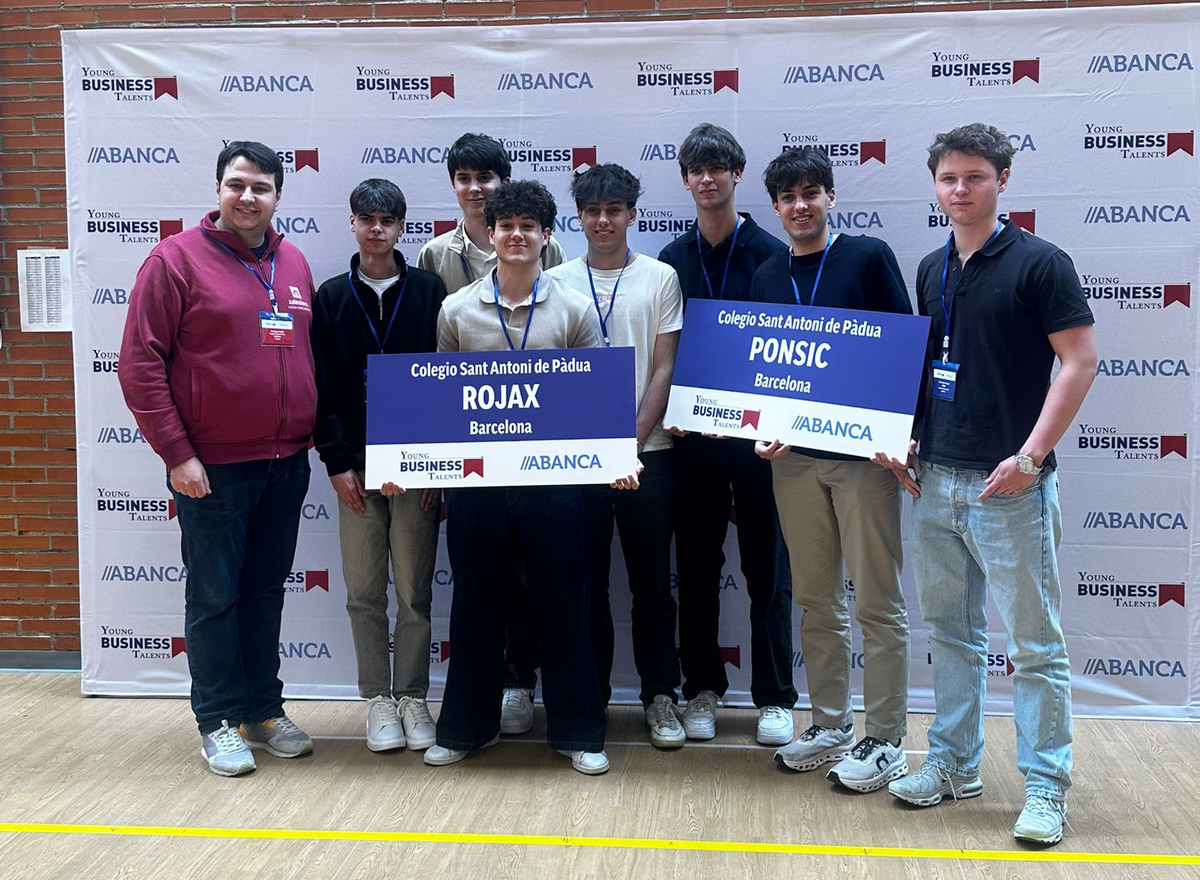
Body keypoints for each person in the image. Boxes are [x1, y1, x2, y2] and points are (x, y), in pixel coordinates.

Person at [881, 123, 1097, 845]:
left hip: (1011, 488)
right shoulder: (930, 267)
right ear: (935, 186)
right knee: (951, 635)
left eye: (975, 176)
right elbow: (930, 368)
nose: (961, 189)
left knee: (1034, 646)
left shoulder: (1041, 263)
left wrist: (1031, 458)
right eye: (948, 178)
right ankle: (953, 764)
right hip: (935, 480)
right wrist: (910, 440)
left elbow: (1079, 362)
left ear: (1003, 180)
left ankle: (1046, 788)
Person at [119, 141, 317, 777]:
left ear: (278, 196)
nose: (248, 197)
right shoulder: (174, 260)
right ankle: (218, 721)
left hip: (286, 462)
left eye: (260, 187)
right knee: (214, 598)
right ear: (218, 190)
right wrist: (177, 455)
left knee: (264, 594)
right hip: (212, 468)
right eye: (237, 185)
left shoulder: (293, 260)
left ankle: (263, 710)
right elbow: (140, 365)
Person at [418, 180, 610, 775]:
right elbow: (438, 400)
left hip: (556, 485)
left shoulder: (574, 308)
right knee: (474, 606)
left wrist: (616, 460)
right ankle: (465, 729)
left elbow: (594, 400)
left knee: (565, 606)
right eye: (507, 226)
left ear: (546, 235)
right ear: (492, 232)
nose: (517, 235)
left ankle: (579, 732)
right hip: (478, 485)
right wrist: (416, 465)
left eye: (529, 226)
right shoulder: (456, 309)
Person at [750, 147, 912, 792]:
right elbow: (761, 365)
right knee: (816, 599)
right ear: (775, 207)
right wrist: (761, 426)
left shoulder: (868, 257)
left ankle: (887, 737)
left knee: (877, 600)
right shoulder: (767, 273)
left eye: (810, 193)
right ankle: (829, 724)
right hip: (793, 463)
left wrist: (898, 435)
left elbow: (903, 349)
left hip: (864, 460)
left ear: (831, 197)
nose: (800, 206)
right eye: (788, 197)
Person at [417, 133, 567, 733]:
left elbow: (574, 360)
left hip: (544, 448)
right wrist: (425, 460)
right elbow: (433, 369)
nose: (475, 188)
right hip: (473, 452)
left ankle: (521, 681)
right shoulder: (435, 258)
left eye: (486, 178)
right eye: (465, 178)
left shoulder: (553, 261)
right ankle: (475, 709)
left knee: (538, 580)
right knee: (480, 582)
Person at [658, 123, 798, 746]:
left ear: (737, 175)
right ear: (686, 180)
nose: (708, 178)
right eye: (697, 169)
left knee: (769, 566)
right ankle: (702, 688)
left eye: (718, 167)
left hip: (760, 439)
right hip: (692, 441)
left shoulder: (773, 253)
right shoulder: (671, 260)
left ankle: (775, 697)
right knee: (695, 566)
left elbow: (791, 352)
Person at [546, 163, 686, 748]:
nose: (603, 221)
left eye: (614, 210)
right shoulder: (554, 278)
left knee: (653, 585)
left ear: (632, 214)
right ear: (578, 218)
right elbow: (548, 373)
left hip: (648, 455)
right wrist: (594, 451)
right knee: (587, 587)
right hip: (576, 463)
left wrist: (628, 445)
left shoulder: (661, 277)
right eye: (592, 211)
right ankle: (591, 699)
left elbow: (664, 366)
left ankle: (661, 697)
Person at [311, 179, 447, 753]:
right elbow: (321, 387)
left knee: (414, 591)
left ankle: (413, 695)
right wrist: (337, 462)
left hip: (417, 467)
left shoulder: (429, 290)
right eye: (366, 219)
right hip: (356, 470)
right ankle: (377, 700)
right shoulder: (330, 296)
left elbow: (447, 381)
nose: (376, 229)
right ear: (352, 224)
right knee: (364, 590)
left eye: (387, 220)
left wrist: (437, 465)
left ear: (401, 228)